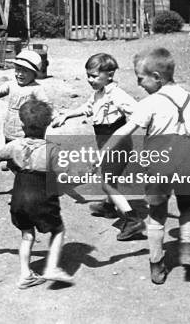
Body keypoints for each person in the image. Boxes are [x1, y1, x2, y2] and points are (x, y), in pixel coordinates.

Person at [100, 48, 190, 284]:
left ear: (156, 77)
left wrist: (103, 153)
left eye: (140, 79)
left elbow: (125, 130)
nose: (139, 85)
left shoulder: (150, 103)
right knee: (187, 208)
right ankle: (187, 247)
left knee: (156, 216)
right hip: (188, 163)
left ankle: (156, 264)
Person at [0, 99, 73, 289]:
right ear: (47, 124)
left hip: (19, 198)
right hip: (42, 198)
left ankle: (25, 274)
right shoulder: (53, 150)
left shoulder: (15, 146)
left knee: (27, 235)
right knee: (58, 230)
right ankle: (51, 267)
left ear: (22, 124)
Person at [51, 53, 145, 241]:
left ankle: (133, 220)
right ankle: (109, 207)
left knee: (107, 183)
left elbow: (140, 112)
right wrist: (67, 115)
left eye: (94, 76)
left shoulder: (117, 95)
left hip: (117, 144)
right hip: (105, 141)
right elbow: (87, 108)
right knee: (109, 177)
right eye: (88, 75)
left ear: (109, 75)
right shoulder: (99, 93)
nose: (90, 80)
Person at [0, 50, 49, 170]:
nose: (20, 74)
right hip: (10, 125)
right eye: (18, 70)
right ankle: (11, 162)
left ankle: (23, 168)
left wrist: (56, 116)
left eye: (25, 71)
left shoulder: (37, 89)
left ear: (34, 74)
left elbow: (47, 105)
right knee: (9, 144)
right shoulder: (11, 84)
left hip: (27, 127)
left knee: (26, 149)